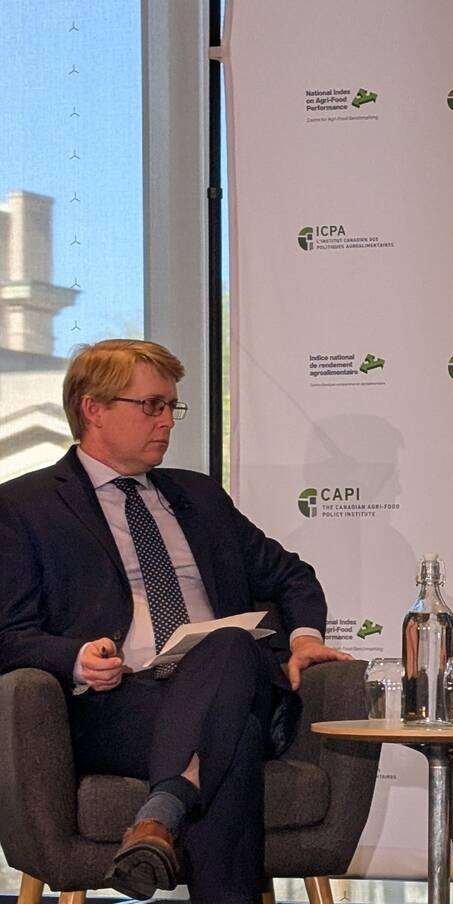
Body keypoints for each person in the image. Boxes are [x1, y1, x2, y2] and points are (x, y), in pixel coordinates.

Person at [0, 339, 349, 903]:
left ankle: (159, 816)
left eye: (171, 408)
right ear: (93, 408)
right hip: (119, 706)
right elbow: (6, 635)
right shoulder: (24, 507)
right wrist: (73, 659)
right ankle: (171, 803)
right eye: (151, 406)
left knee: (230, 648)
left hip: (233, 681)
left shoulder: (199, 496)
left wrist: (305, 638)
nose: (167, 422)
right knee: (227, 740)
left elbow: (291, 576)